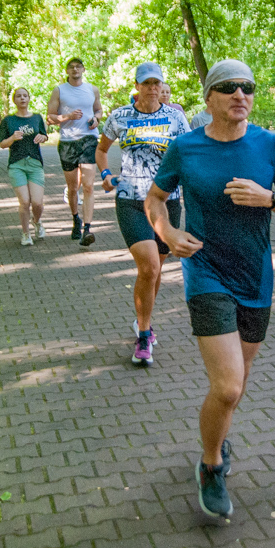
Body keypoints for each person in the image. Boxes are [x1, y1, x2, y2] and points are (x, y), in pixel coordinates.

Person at [146, 59, 275, 519]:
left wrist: (271, 198)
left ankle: (217, 437)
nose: (240, 94)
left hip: (256, 278)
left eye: (248, 87)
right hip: (206, 274)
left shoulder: (269, 145)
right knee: (227, 387)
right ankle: (211, 463)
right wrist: (167, 234)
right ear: (209, 98)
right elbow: (155, 199)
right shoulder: (186, 147)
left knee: (236, 387)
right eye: (228, 88)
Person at [97, 63, 191, 365]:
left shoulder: (175, 117)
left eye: (156, 83)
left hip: (167, 200)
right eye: (146, 83)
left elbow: (189, 152)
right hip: (131, 200)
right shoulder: (119, 116)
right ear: (137, 86)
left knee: (156, 269)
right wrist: (106, 173)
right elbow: (101, 150)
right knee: (149, 267)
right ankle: (144, 333)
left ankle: (143, 318)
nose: (151, 88)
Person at [47, 58, 103, 246]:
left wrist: (96, 119)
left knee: (88, 185)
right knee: (73, 188)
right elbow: (50, 117)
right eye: (71, 67)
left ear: (83, 69)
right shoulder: (59, 90)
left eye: (78, 66)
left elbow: (99, 110)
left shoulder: (92, 89)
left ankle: (87, 228)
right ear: (67, 71)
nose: (75, 69)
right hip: (67, 142)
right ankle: (75, 219)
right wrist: (67, 116)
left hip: (88, 139)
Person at [0, 87, 49, 246]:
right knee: (25, 201)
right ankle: (26, 234)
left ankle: (36, 222)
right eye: (19, 96)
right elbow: (2, 144)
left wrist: (42, 137)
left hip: (35, 163)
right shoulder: (9, 120)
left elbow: (44, 135)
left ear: (29, 98)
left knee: (37, 203)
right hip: (17, 164)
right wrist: (12, 137)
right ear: (14, 100)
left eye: (25, 96)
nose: (22, 98)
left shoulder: (37, 118)